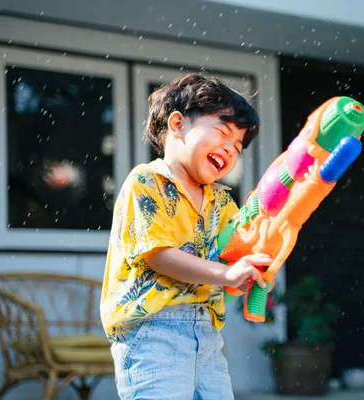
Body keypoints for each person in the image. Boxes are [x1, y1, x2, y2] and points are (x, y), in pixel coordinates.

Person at [100, 73, 272, 400]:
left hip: (206, 335)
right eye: (222, 133)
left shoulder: (222, 200)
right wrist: (225, 274)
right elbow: (158, 255)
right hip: (152, 333)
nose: (230, 149)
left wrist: (245, 275)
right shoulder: (147, 182)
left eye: (237, 146)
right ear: (177, 124)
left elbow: (229, 264)